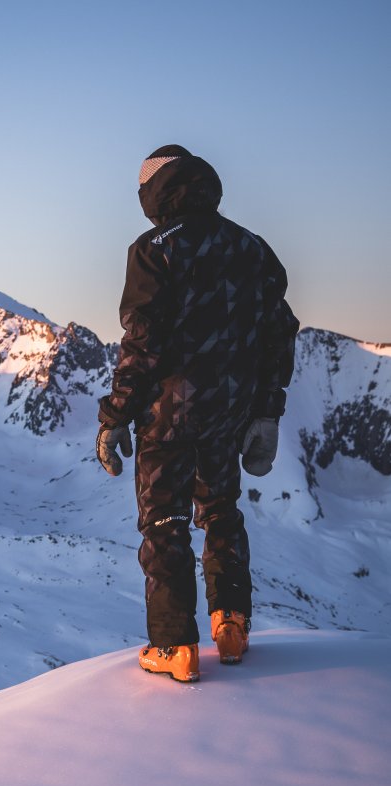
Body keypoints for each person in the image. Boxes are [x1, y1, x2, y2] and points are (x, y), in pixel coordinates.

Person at [96, 145, 298, 682]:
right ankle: (231, 625)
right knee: (221, 511)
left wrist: (116, 413)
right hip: (230, 412)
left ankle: (174, 647)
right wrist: (266, 409)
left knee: (165, 523)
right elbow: (280, 331)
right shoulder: (252, 248)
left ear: (154, 193)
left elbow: (143, 342)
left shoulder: (153, 250)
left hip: (168, 413)